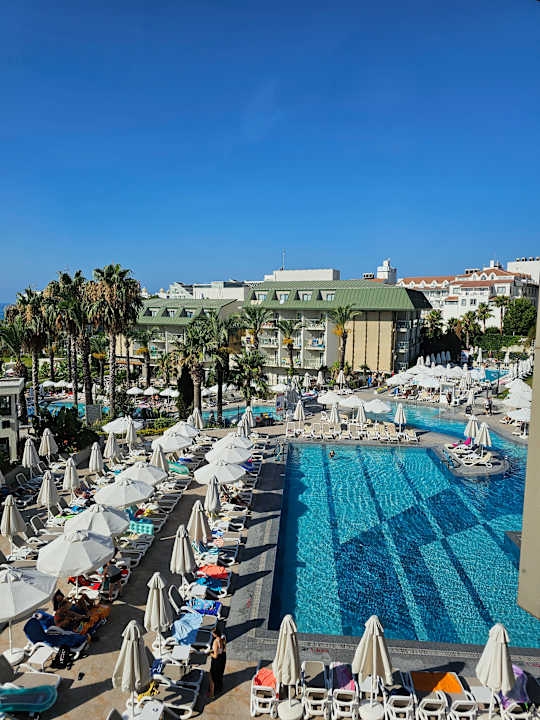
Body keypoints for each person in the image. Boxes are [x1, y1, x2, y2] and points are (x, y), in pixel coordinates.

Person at [208, 627, 227, 698]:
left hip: (217, 661)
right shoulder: (223, 637)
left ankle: (211, 694)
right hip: (222, 659)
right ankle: (219, 688)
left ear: (215, 634)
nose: (212, 635)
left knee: (212, 676)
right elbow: (223, 649)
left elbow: (215, 656)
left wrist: (209, 653)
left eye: (212, 634)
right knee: (219, 674)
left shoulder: (216, 642)